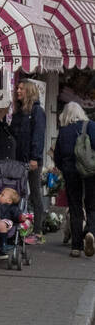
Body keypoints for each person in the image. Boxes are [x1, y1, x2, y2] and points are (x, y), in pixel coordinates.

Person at [54, 101, 95, 258]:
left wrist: (64, 168)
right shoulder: (90, 125)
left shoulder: (64, 131)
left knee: (75, 207)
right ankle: (90, 231)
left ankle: (76, 247)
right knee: (91, 206)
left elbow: (58, 155)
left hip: (71, 173)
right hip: (90, 172)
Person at [11, 79, 46, 240]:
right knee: (17, 192)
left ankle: (38, 230)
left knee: (35, 192)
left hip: (32, 161)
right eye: (17, 88)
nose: (18, 90)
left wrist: (35, 158)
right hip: (18, 160)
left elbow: (38, 136)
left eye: (21, 88)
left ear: (29, 91)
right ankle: (17, 226)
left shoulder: (37, 111)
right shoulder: (19, 113)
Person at [0, 185, 21, 259]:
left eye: (2, 195)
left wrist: (20, 217)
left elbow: (16, 215)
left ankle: (4, 244)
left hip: (8, 222)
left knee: (1, 224)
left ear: (9, 201)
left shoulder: (13, 208)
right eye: (0, 194)